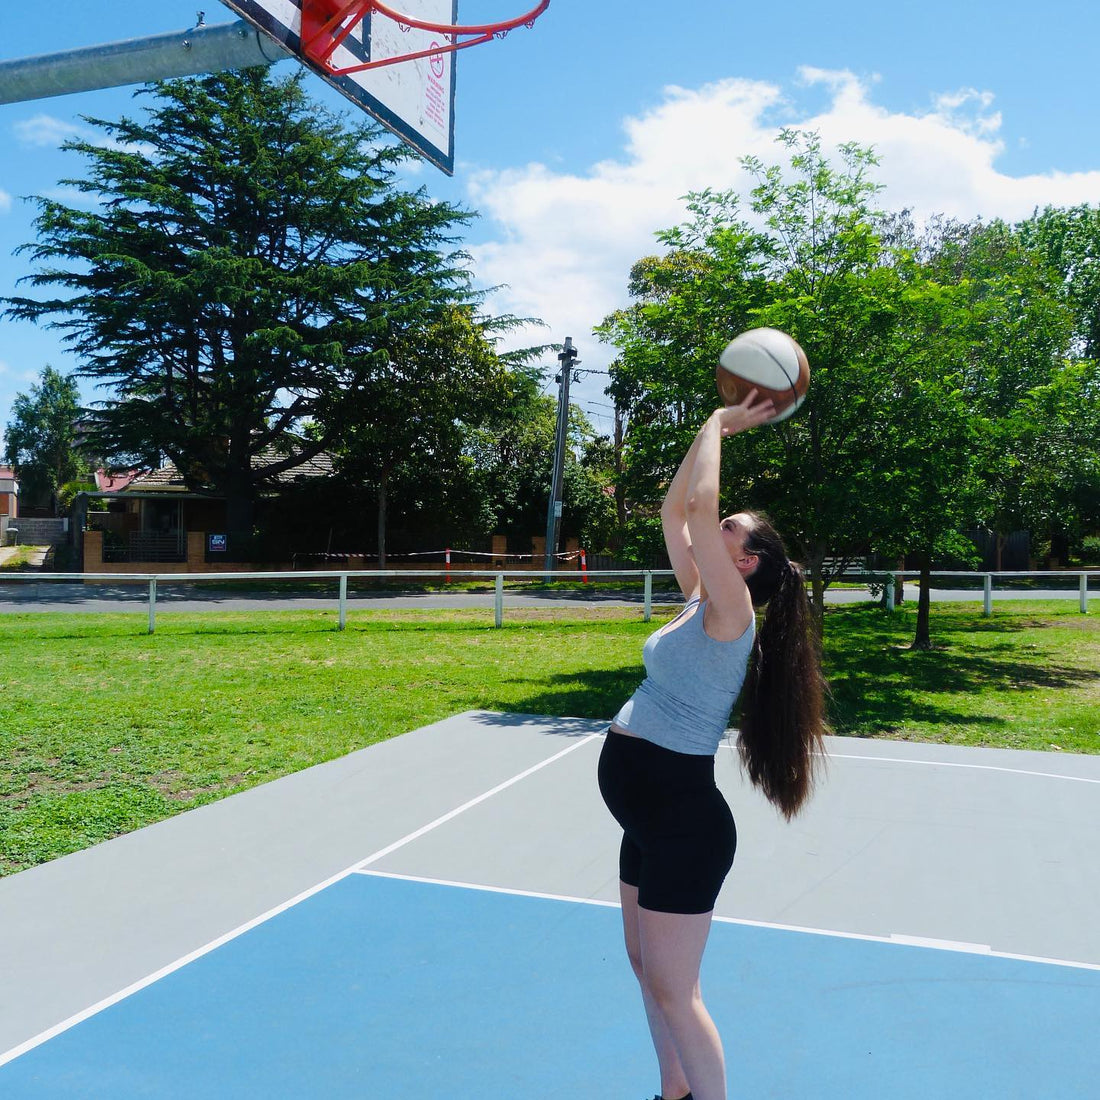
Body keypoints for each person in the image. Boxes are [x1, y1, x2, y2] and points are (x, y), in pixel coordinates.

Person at [597, 391, 827, 1100]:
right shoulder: (701, 594)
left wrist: (720, 422)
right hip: (649, 817)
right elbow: (678, 511)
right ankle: (674, 1092)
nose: (712, 527)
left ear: (748, 561)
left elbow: (699, 509)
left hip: (681, 823)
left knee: (676, 990)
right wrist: (706, 436)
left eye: (729, 528)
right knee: (645, 967)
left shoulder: (731, 613)